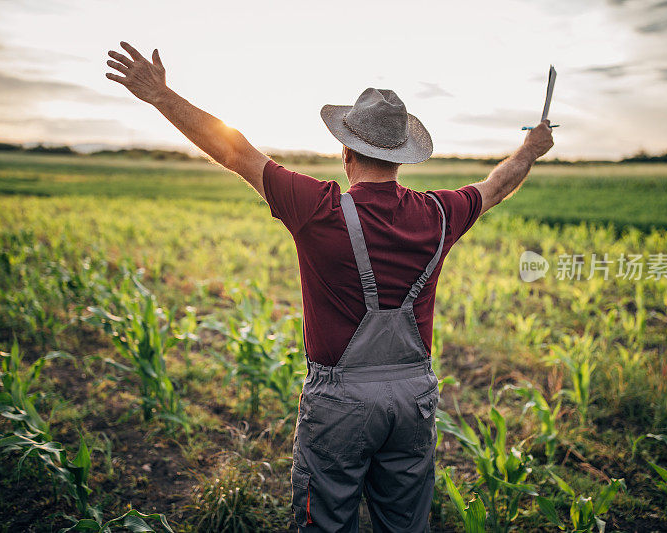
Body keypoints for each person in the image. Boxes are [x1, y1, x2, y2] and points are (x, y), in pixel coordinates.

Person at [106, 42, 554, 533]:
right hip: (414, 397)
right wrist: (531, 148)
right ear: (401, 158)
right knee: (405, 523)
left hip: (340, 401)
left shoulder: (318, 208)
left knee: (326, 522)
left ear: (345, 151)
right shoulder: (440, 214)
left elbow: (233, 151)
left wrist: (160, 96)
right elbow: (496, 186)